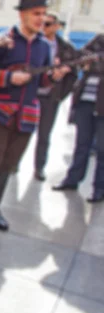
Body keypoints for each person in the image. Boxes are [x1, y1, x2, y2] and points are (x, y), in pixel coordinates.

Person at [0, 0, 70, 236]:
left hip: (26, 117)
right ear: (23, 14)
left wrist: (54, 76)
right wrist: (7, 78)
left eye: (44, 15)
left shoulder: (44, 47)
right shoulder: (3, 39)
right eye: (36, 14)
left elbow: (41, 81)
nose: (41, 19)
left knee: (8, 164)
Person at [53, 33, 104, 202]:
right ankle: (72, 180)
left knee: (102, 150)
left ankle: (99, 189)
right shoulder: (99, 38)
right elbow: (80, 55)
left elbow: (90, 61)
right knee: (81, 145)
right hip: (85, 102)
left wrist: (93, 62)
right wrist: (90, 60)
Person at [33, 13, 78, 182]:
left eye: (48, 24)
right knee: (22, 131)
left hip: (51, 97)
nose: (43, 27)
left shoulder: (67, 48)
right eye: (42, 23)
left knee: (44, 135)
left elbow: (73, 75)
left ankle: (39, 167)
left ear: (56, 26)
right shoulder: (34, 43)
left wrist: (60, 95)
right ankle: (13, 164)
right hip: (31, 94)